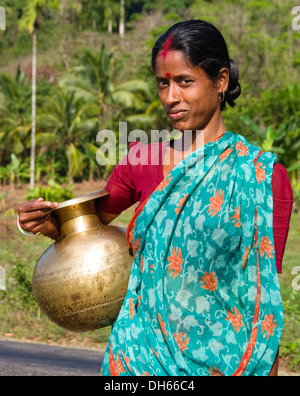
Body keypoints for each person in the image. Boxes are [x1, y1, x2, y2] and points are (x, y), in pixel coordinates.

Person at [18, 20, 293, 376]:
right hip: (137, 361)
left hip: (222, 365)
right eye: (163, 83)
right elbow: (81, 228)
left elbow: (262, 303)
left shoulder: (263, 177)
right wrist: (40, 223)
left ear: (221, 81)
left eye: (184, 81)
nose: (170, 97)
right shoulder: (141, 161)